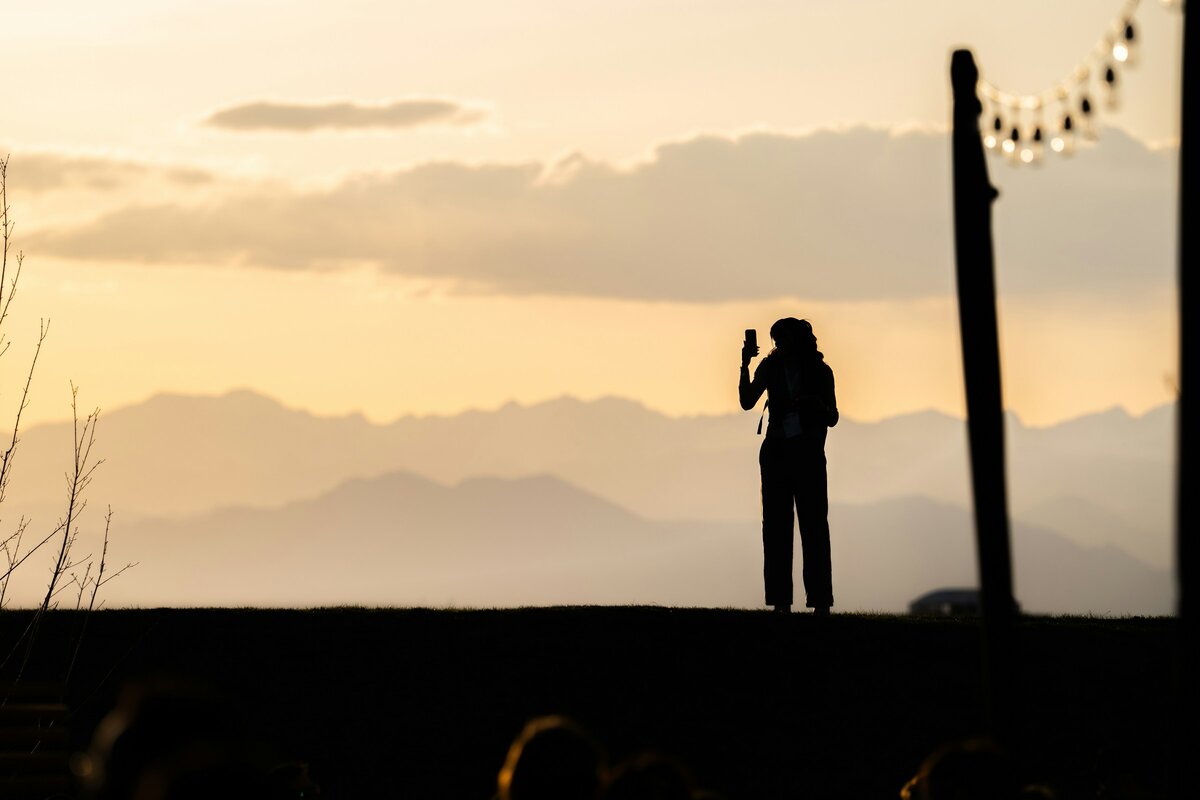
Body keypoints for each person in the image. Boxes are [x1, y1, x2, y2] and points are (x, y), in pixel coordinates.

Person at [739, 317, 838, 615]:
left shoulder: (821, 372)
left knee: (813, 527)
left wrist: (815, 406)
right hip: (779, 452)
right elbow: (746, 401)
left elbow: (832, 416)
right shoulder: (770, 367)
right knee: (776, 527)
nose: (780, 345)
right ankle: (782, 602)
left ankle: (820, 601)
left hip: (806, 453)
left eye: (783, 340)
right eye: (777, 340)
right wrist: (744, 365)